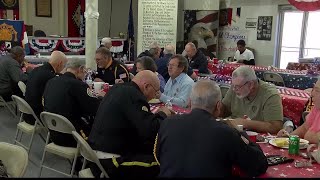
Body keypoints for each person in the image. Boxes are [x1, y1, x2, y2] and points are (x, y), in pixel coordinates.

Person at [155, 80, 268, 177]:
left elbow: (159, 156)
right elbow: (258, 166)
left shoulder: (168, 123)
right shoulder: (225, 132)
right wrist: (241, 133)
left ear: (190, 102)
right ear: (218, 106)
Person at [88, 70, 174, 178]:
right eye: (156, 91)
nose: (155, 96)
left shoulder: (117, 88)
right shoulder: (135, 96)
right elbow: (150, 130)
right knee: (167, 162)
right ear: (147, 86)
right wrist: (163, 114)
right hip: (111, 162)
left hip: (95, 153)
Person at [43, 58, 103, 147]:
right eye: (85, 71)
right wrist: (101, 97)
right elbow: (95, 109)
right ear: (81, 69)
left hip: (53, 133)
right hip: (73, 136)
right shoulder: (78, 85)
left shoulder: (51, 81)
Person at [219, 66, 283, 134]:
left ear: (251, 85)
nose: (234, 89)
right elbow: (224, 110)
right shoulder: (235, 88)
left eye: (237, 87)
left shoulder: (270, 95)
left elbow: (275, 127)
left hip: (258, 138)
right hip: (236, 133)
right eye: (233, 85)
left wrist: (245, 123)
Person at [24, 51, 68, 125]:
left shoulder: (37, 70)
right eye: (64, 65)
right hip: (38, 116)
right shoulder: (50, 77)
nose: (64, 67)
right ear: (60, 63)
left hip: (28, 112)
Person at [277, 79, 320, 144]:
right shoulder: (317, 108)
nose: (312, 94)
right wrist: (288, 137)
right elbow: (304, 128)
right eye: (313, 89)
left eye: (317, 91)